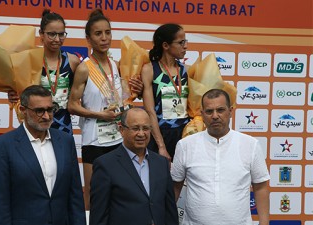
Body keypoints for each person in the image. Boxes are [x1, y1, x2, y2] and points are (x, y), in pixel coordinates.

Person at [68, 9, 142, 210]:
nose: (104, 38)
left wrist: (137, 90)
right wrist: (100, 114)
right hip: (94, 140)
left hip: (119, 139)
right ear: (88, 39)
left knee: (120, 191)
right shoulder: (84, 68)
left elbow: (126, 98)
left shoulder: (117, 66)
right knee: (93, 193)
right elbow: (72, 105)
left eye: (107, 32)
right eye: (98, 34)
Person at [0, 85, 86, 225]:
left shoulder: (66, 141)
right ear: (23, 110)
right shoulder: (4, 145)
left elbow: (75, 195)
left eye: (50, 110)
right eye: (39, 111)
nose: (46, 116)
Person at [171, 89, 270, 225]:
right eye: (209, 111)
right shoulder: (185, 145)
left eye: (220, 110)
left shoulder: (250, 144)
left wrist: (264, 223)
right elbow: (175, 187)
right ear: (202, 114)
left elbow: (261, 187)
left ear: (230, 111)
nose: (215, 116)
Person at [89, 108, 178, 225]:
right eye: (135, 128)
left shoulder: (161, 163)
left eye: (146, 128)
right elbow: (98, 216)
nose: (141, 134)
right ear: (121, 130)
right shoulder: (105, 165)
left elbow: (170, 211)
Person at [8, 9, 80, 134]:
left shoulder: (73, 61)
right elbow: (20, 92)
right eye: (51, 34)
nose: (57, 39)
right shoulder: (30, 60)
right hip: (36, 124)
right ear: (41, 34)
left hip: (64, 126)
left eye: (61, 34)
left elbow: (82, 93)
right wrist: (14, 95)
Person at [141, 23, 190, 161]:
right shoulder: (150, 70)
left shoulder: (187, 70)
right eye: (181, 42)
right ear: (165, 45)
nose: (185, 46)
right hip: (160, 134)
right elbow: (150, 111)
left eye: (185, 41)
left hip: (184, 135)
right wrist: (161, 146)